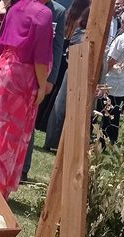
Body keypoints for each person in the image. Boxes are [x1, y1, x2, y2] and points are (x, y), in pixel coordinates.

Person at [0, 0, 53, 198]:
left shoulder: (16, 6)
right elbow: (40, 58)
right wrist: (43, 85)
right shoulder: (43, 13)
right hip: (21, 76)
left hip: (3, 70)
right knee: (10, 135)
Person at [20, 0, 65, 182]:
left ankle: (23, 168)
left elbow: (57, 47)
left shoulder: (59, 12)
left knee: (28, 120)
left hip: (40, 75)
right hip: (18, 68)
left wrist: (51, 79)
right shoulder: (25, 5)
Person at [41, 0, 90, 152]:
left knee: (53, 97)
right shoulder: (77, 25)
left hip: (61, 58)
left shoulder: (67, 14)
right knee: (58, 99)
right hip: (64, 61)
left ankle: (43, 123)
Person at [98, 11, 124, 144]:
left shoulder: (123, 38)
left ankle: (102, 139)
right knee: (115, 112)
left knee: (105, 111)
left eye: (122, 22)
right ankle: (112, 138)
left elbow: (110, 61)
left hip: (111, 79)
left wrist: (102, 76)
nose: (121, 24)